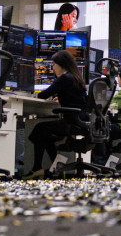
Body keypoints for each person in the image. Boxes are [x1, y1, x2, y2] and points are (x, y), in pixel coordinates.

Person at [23, 49, 87, 177]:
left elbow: (43, 94)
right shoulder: (76, 78)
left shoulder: (65, 78)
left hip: (71, 121)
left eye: (54, 64)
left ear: (61, 64)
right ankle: (57, 168)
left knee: (39, 129)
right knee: (45, 135)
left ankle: (37, 168)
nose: (53, 68)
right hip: (80, 120)